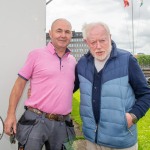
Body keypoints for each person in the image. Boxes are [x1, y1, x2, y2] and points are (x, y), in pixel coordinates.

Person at [75, 22, 150, 150]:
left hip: (121, 141)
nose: (98, 46)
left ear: (110, 37)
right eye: (93, 42)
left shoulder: (127, 60)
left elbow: (146, 94)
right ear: (86, 42)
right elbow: (67, 88)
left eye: (103, 40)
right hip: (92, 140)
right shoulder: (82, 63)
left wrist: (133, 116)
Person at [4, 18, 76, 150]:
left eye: (67, 32)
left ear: (71, 35)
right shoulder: (36, 55)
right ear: (50, 33)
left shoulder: (73, 61)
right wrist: (10, 114)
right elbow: (19, 85)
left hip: (62, 125)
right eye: (59, 31)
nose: (63, 35)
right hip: (36, 121)